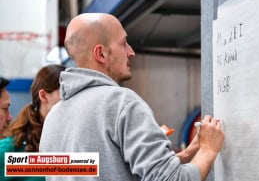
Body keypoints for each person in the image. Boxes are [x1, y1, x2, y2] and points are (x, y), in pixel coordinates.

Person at [40, 13, 224, 181]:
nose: (131, 52)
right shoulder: (120, 103)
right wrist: (208, 150)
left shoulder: (53, 117)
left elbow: (105, 169)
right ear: (101, 54)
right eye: (123, 43)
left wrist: (189, 152)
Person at [0, 64, 66, 181]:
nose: (72, 101)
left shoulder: (75, 141)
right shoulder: (9, 150)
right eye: (64, 93)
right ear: (43, 96)